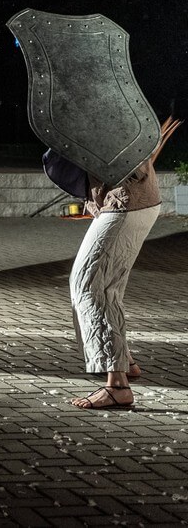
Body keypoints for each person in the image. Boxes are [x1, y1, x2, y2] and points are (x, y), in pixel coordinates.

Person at [69, 116, 181, 409]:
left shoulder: (95, 106)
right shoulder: (107, 103)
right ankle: (125, 361)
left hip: (125, 201)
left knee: (88, 286)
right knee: (108, 288)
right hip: (139, 198)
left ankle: (117, 385)